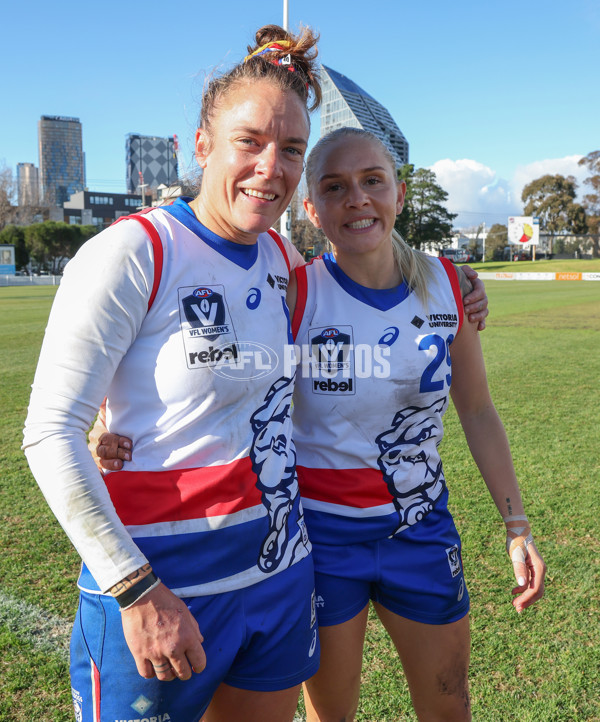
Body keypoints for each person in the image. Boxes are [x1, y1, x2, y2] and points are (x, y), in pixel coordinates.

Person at [95, 129, 536, 722]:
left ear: (399, 194)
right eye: (335, 187)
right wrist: (106, 418)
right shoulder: (291, 292)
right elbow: (202, 363)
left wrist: (516, 523)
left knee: (449, 710)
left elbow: (477, 410)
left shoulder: (450, 286)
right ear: (311, 210)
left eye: (372, 181)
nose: (357, 199)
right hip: (321, 541)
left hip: (419, 529)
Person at [23, 25, 326, 722]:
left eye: (291, 150)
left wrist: (448, 280)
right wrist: (136, 590)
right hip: (161, 585)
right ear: (201, 144)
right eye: (249, 142)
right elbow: (48, 433)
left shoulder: (283, 261)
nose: (270, 168)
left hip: (277, 573)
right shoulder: (136, 249)